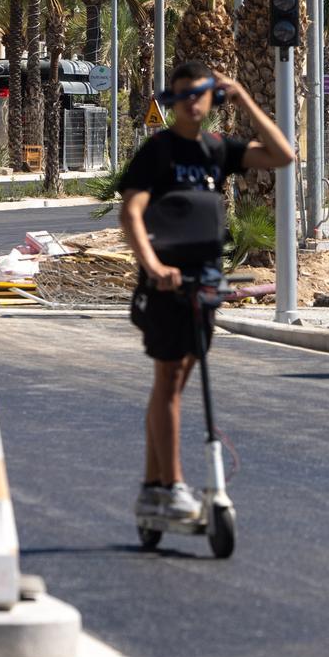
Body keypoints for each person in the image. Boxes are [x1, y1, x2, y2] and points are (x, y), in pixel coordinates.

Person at [118, 61, 294, 520]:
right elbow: (131, 214)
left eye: (200, 93)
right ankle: (169, 484)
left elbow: (283, 155)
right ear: (173, 100)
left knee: (177, 379)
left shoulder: (217, 150)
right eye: (183, 95)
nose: (192, 102)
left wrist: (244, 98)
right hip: (166, 283)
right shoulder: (158, 151)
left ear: (211, 98)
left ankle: (153, 487)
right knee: (169, 378)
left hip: (205, 281)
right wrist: (154, 267)